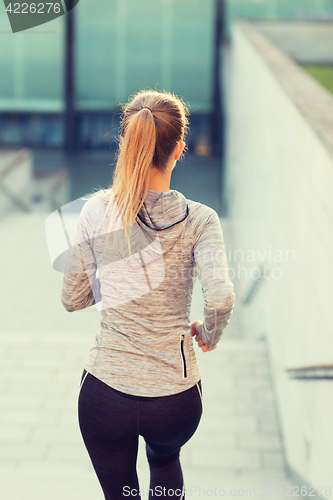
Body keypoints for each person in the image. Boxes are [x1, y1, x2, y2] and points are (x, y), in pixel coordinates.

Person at [61, 89, 235, 500]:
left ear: (127, 144)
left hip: (105, 395)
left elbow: (73, 298)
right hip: (174, 400)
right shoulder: (201, 220)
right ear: (179, 150)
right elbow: (221, 297)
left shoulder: (94, 211)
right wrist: (209, 334)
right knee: (164, 460)